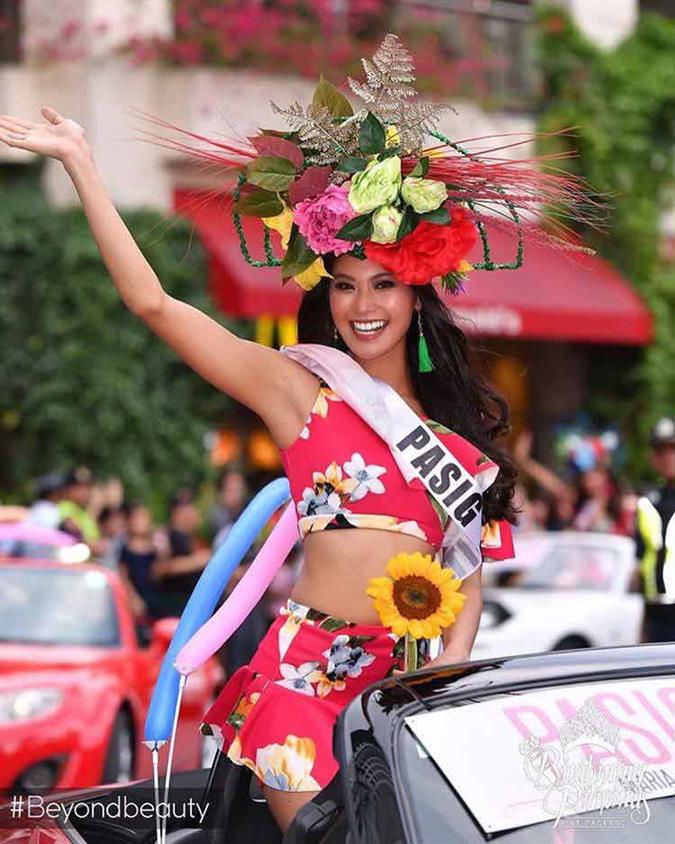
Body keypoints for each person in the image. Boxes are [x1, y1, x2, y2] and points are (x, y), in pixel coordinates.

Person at [0, 33, 592, 831]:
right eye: (344, 286)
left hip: (403, 695)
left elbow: (466, 591)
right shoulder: (300, 393)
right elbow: (155, 306)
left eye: (384, 283)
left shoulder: (459, 450)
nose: (362, 305)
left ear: (418, 296)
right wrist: (80, 161)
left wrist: (443, 684)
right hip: (301, 682)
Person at [633, 417, 675, 643]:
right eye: (660, 450)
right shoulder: (647, 503)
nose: (667, 457)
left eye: (672, 449)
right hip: (656, 612)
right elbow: (641, 562)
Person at [118, 503, 166, 621]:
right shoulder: (125, 548)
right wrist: (133, 597)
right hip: (134, 598)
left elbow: (158, 574)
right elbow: (123, 576)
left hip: (153, 597)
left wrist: (163, 551)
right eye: (137, 518)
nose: (141, 522)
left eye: (144, 518)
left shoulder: (154, 548)